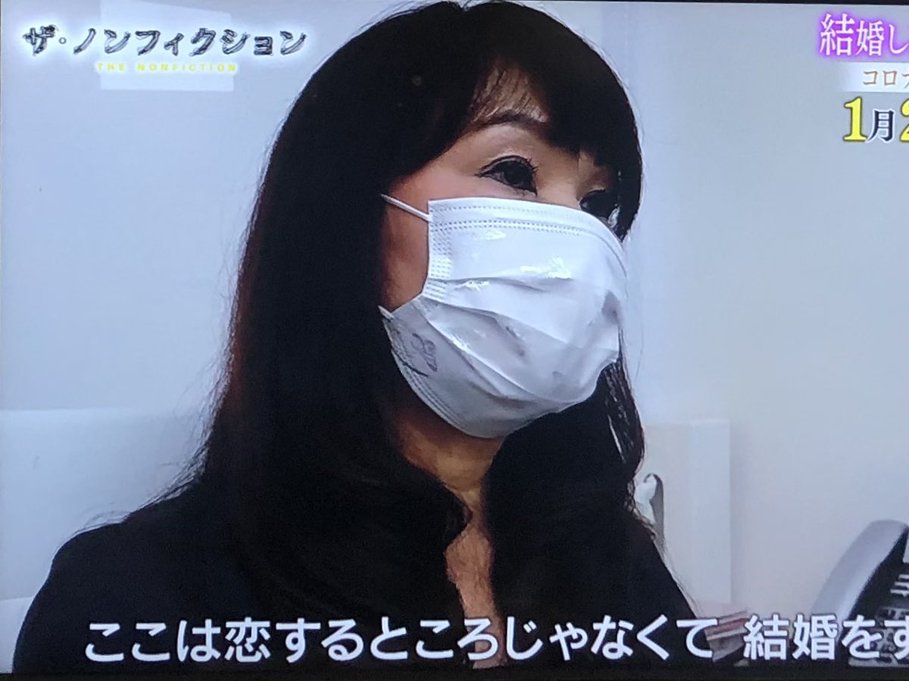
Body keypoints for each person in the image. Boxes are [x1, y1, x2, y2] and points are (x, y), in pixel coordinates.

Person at [14, 0, 698, 672]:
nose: (575, 237)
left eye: (597, 203)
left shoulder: (612, 562)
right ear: (348, 216)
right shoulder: (138, 600)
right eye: (514, 173)